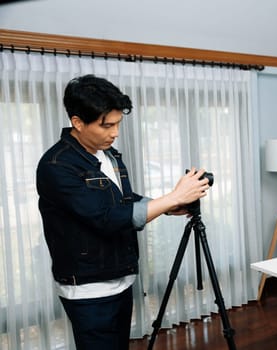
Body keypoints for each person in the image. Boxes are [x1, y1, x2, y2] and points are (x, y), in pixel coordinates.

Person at [36, 74, 210, 350]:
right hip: (88, 289)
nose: (115, 133)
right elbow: (107, 218)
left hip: (120, 278)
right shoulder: (56, 166)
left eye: (118, 123)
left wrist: (169, 207)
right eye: (107, 125)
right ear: (77, 122)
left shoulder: (109, 155)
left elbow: (122, 199)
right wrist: (173, 196)